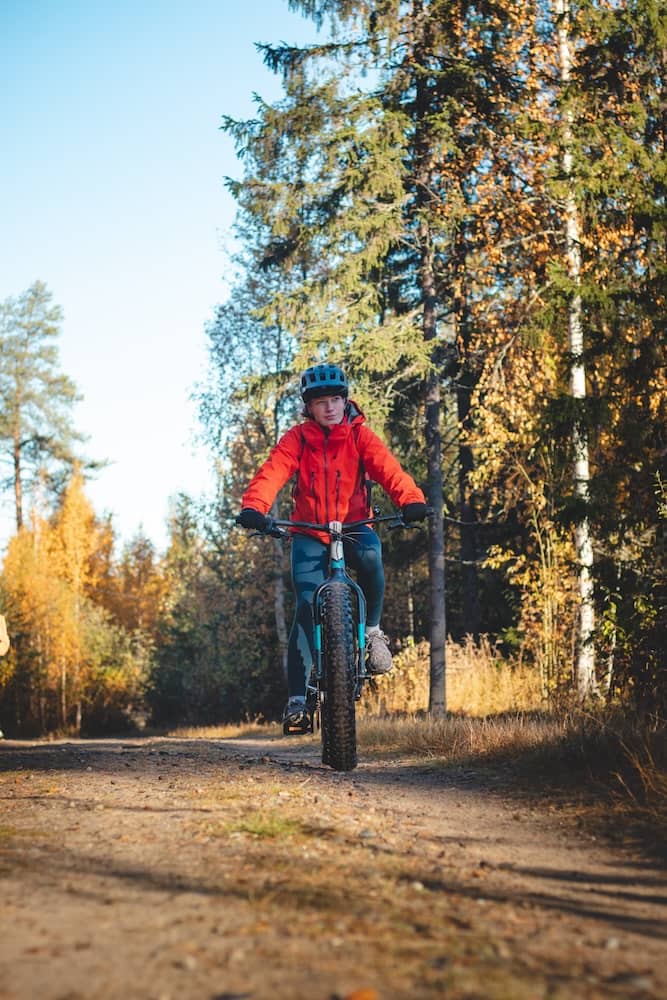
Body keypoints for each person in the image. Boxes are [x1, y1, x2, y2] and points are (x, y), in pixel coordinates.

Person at [237, 362, 428, 733]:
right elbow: (272, 472)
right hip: (309, 532)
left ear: (345, 401)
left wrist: (411, 500)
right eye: (321, 401)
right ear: (309, 406)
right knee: (307, 604)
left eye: (335, 400)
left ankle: (372, 631)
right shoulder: (297, 439)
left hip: (356, 526)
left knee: (372, 557)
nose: (329, 408)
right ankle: (296, 699)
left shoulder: (360, 436)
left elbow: (389, 470)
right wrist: (254, 508)